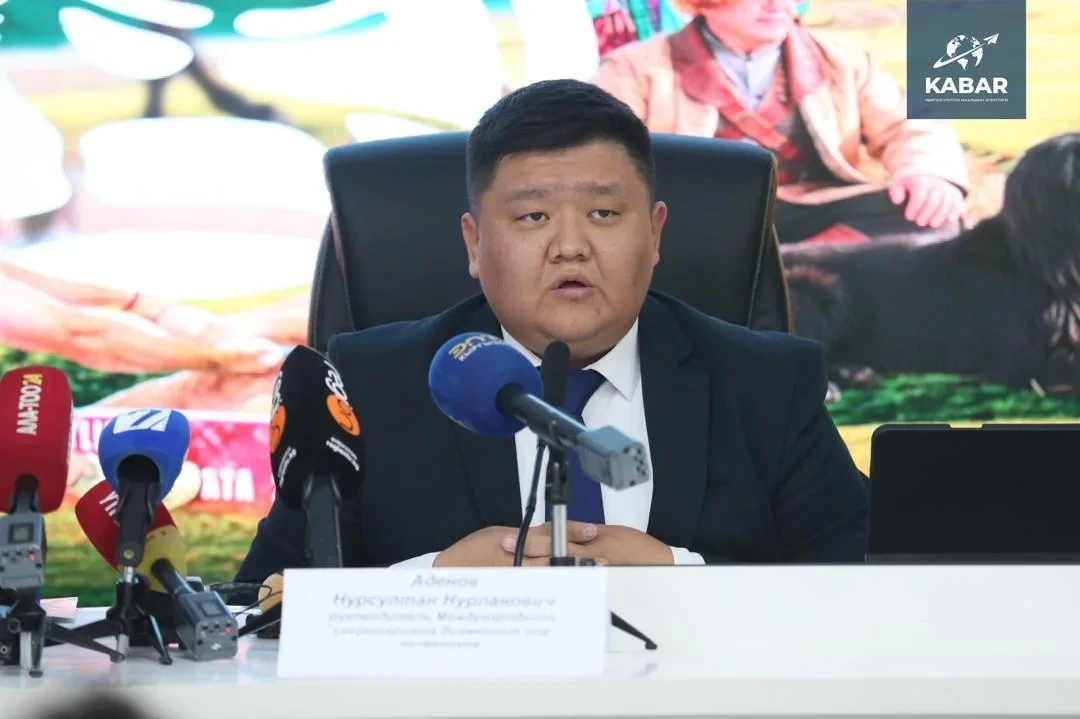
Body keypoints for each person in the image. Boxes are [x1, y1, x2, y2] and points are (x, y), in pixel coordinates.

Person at [235, 79, 868, 581]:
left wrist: (681, 576)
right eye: (533, 217)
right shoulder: (373, 384)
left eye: (603, 213)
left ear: (654, 234)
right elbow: (264, 601)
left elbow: (869, 584)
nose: (570, 246)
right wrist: (431, 582)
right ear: (474, 245)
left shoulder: (765, 385)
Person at [591, 0, 971, 246]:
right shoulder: (632, 69)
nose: (777, 4)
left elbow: (909, 125)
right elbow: (600, 157)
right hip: (699, 222)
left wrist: (929, 174)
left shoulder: (844, 61)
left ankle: (791, 274)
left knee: (928, 217)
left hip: (814, 212)